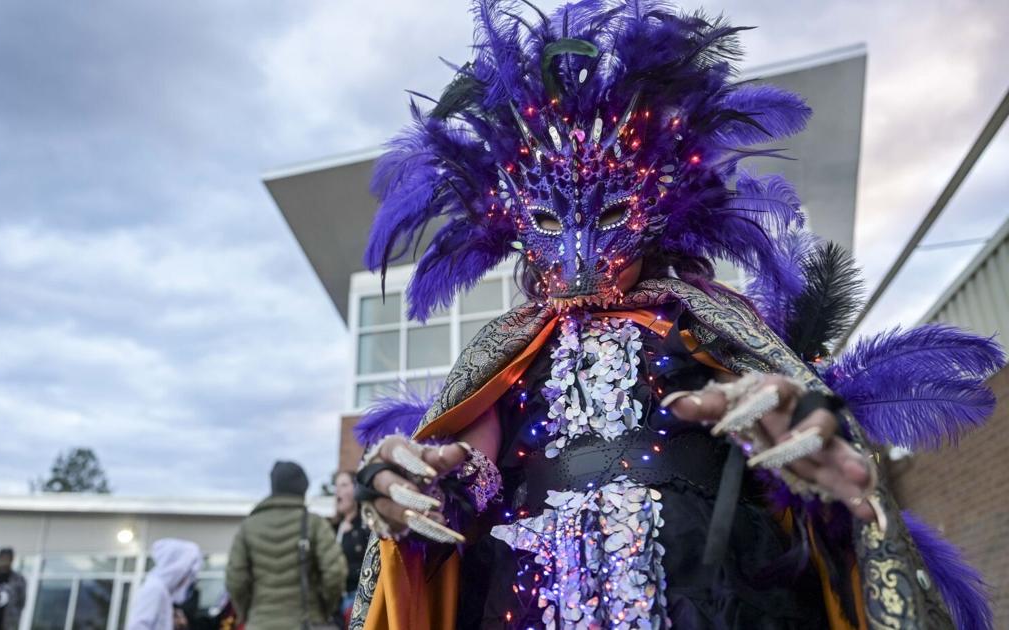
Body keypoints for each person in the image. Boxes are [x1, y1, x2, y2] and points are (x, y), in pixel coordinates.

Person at [347, 1, 1005, 628]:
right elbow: (468, 465)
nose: (579, 254)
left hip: (710, 586)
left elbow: (770, 417)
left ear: (654, 210)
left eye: (609, 214)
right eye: (549, 222)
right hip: (539, 593)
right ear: (520, 226)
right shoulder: (512, 348)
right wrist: (422, 481)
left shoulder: (703, 321)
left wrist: (790, 428)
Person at [226, 461, 346, 630]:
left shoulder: (248, 527)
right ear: (303, 489)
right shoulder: (315, 524)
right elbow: (335, 573)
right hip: (305, 621)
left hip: (260, 622)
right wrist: (324, 609)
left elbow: (235, 580)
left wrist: (247, 613)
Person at [125, 539, 202, 630]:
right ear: (177, 569)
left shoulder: (163, 591)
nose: (186, 580)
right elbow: (137, 626)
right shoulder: (155, 589)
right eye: (187, 574)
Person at [330, 471, 368, 625]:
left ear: (356, 489)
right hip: (336, 603)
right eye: (336, 486)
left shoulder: (365, 526)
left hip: (357, 599)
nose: (338, 491)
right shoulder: (333, 528)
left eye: (344, 485)